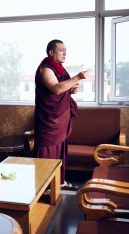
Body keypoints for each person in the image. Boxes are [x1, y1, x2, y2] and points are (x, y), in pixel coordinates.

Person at [34, 39, 90, 190]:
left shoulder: (59, 69)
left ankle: (59, 182)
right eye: (61, 50)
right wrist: (77, 78)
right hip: (48, 120)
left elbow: (62, 89)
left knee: (59, 151)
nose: (65, 53)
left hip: (59, 120)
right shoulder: (46, 69)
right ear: (51, 52)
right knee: (47, 151)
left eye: (66, 50)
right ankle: (44, 187)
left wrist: (71, 89)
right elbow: (57, 89)